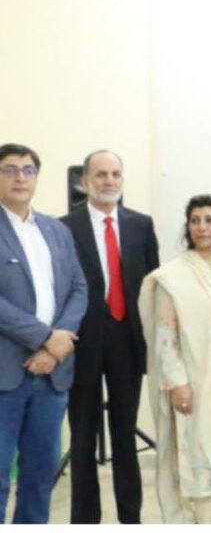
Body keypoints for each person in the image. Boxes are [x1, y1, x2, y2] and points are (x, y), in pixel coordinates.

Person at [138, 194, 211, 523]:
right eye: (195, 221)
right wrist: (177, 383)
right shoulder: (174, 276)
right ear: (188, 227)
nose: (202, 227)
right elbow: (165, 336)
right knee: (198, 458)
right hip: (193, 382)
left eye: (209, 220)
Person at [61, 150, 159, 524]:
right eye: (101, 174)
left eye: (116, 174)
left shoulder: (141, 225)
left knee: (124, 434)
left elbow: (152, 285)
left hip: (127, 342)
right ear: (85, 181)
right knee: (83, 437)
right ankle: (85, 520)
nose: (109, 181)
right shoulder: (63, 227)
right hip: (81, 342)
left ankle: (130, 518)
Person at [0, 143, 88, 523]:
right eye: (9, 170)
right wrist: (43, 337)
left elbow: (78, 288)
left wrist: (56, 345)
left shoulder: (56, 230)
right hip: (6, 372)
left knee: (41, 474)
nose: (20, 178)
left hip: (52, 374)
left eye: (28, 170)